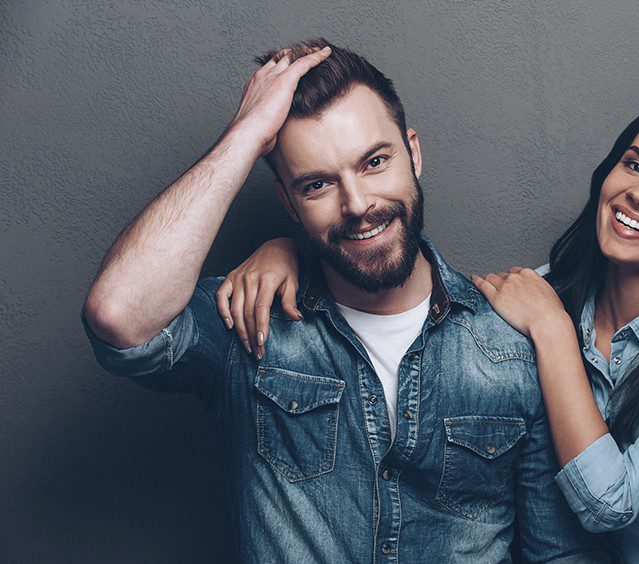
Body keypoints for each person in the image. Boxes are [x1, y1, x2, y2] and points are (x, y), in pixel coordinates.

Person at [81, 39, 611, 562]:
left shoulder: (510, 344)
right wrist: (246, 135)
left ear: (413, 153)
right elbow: (119, 315)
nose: (358, 205)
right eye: (317, 186)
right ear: (289, 203)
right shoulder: (249, 322)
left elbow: (561, 554)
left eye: (375, 162)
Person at [225, 96, 639, 562]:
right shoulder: (546, 296)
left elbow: (609, 502)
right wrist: (290, 251)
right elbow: (432, 297)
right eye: (635, 165)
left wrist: (552, 330)